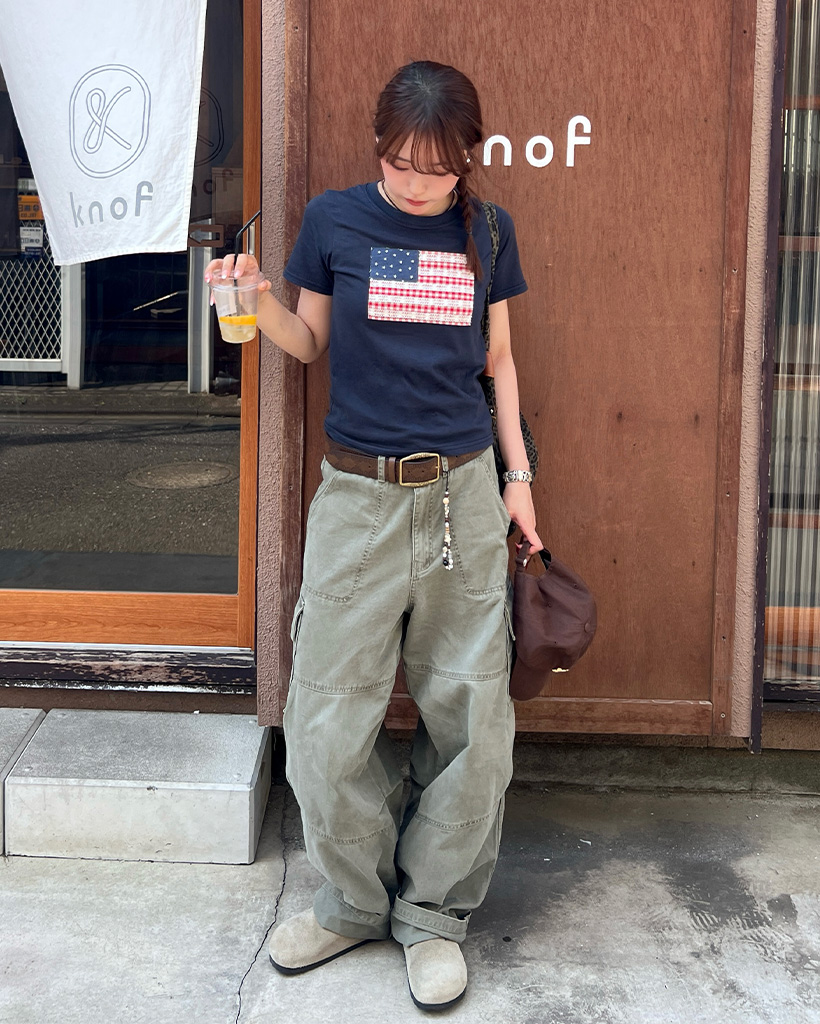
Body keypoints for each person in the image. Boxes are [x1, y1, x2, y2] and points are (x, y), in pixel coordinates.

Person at [205, 59, 541, 1012]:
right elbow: (308, 342)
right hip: (356, 498)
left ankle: (432, 915)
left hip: (462, 499)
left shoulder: (488, 230)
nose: (416, 184)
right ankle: (353, 903)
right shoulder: (334, 221)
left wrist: (519, 481)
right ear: (378, 147)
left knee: (473, 720)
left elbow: (500, 361)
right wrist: (252, 295)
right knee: (322, 722)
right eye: (400, 163)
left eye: (437, 168)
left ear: (468, 159)